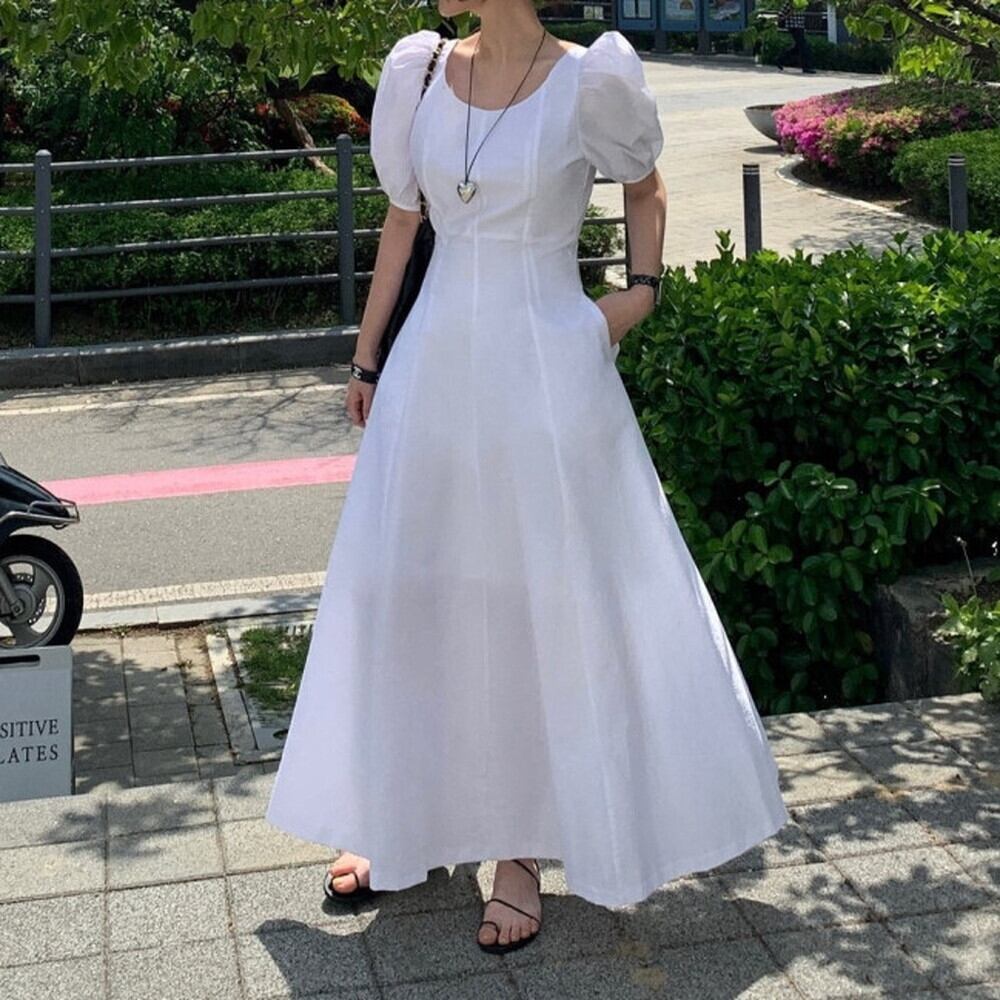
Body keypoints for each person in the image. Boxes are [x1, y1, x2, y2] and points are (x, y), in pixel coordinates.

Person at [264, 0, 790, 956]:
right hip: (433, 368)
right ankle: (397, 817)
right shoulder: (422, 71)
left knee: (530, 603)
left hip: (546, 372)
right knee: (412, 592)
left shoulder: (592, 80)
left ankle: (518, 850)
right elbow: (402, 222)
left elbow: (646, 187)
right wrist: (368, 356)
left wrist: (632, 299)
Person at [775, 0, 817, 73]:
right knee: (804, 46)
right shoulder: (789, 2)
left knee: (798, 47)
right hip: (793, 26)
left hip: (800, 26)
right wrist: (789, 15)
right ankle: (807, 67)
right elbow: (779, 16)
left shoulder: (802, 2)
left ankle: (780, 59)